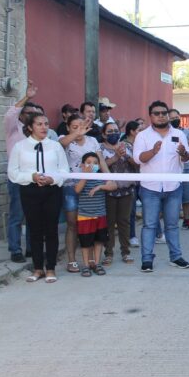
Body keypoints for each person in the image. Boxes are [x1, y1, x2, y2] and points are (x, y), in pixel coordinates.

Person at [7, 112, 69, 283]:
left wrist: (53, 178)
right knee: (34, 230)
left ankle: (50, 268)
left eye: (46, 124)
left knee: (51, 230)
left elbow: (65, 171)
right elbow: (13, 173)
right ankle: (37, 268)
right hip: (30, 191)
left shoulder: (55, 146)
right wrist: (31, 177)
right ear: (30, 127)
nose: (44, 127)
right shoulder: (20, 147)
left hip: (51, 191)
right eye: (39, 124)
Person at [132, 101, 189, 273]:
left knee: (172, 225)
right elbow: (138, 159)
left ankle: (176, 257)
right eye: (157, 113)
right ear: (150, 116)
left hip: (173, 187)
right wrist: (153, 151)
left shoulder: (179, 134)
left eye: (164, 113)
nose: (161, 116)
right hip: (150, 188)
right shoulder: (143, 136)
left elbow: (188, 158)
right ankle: (147, 260)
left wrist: (183, 153)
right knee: (150, 225)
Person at [59, 113, 109, 273]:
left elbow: (101, 161)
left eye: (82, 126)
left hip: (91, 186)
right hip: (71, 186)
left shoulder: (93, 141)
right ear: (68, 128)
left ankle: (93, 260)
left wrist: (110, 179)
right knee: (73, 223)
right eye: (74, 126)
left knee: (93, 221)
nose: (80, 129)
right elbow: (61, 144)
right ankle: (72, 260)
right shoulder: (64, 139)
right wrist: (76, 133)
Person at [4, 80, 40, 263]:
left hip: (33, 177)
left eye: (34, 114)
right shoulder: (13, 128)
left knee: (32, 214)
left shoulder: (36, 133)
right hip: (17, 177)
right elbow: (11, 113)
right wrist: (27, 97)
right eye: (28, 113)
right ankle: (15, 249)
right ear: (22, 114)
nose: (31, 116)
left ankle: (31, 249)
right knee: (17, 214)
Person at [99, 122, 137, 265]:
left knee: (124, 222)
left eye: (115, 130)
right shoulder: (100, 148)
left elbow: (136, 164)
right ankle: (108, 253)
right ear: (104, 134)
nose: (113, 133)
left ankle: (125, 252)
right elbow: (99, 168)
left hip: (126, 190)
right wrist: (115, 157)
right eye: (109, 131)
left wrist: (125, 155)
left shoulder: (127, 146)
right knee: (109, 223)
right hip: (108, 191)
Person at [74, 153, 117, 277]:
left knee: (99, 241)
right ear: (82, 165)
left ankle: (97, 264)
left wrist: (100, 187)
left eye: (95, 163)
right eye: (88, 162)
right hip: (84, 216)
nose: (91, 165)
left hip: (100, 215)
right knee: (85, 242)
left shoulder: (101, 177)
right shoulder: (79, 177)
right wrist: (86, 175)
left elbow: (114, 185)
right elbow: (77, 190)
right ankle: (86, 265)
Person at [168, 109, 189, 230]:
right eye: (171, 118)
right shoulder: (166, 133)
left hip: (186, 168)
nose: (174, 119)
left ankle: (187, 220)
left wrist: (184, 141)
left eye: (176, 117)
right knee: (173, 197)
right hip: (173, 169)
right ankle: (172, 222)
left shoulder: (186, 131)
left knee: (188, 196)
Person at [123, 120, 142, 247]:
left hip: (143, 178)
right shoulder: (124, 145)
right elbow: (135, 162)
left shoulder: (141, 143)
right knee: (131, 210)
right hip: (130, 181)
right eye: (139, 130)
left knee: (150, 206)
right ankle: (132, 236)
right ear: (132, 131)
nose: (141, 133)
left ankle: (158, 234)